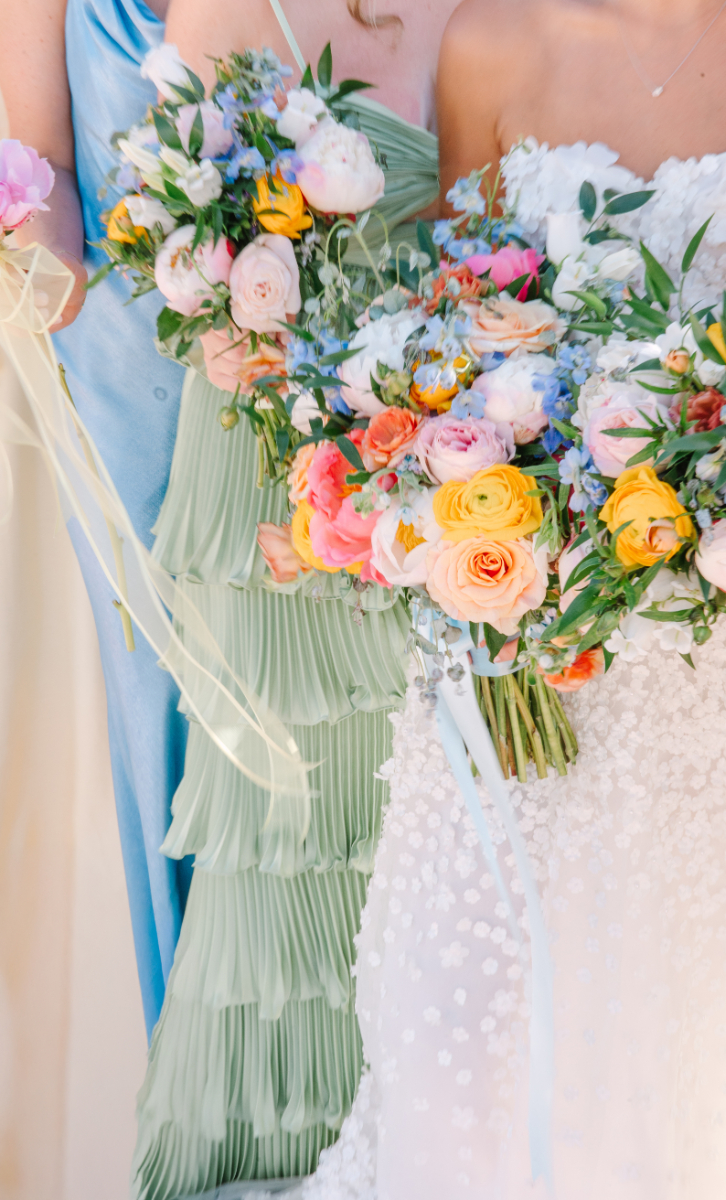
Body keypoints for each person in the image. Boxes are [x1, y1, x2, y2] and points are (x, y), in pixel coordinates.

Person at [297, 1, 726, 1198]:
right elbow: (455, 327)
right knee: (456, 1022)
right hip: (519, 633)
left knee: (661, 1061)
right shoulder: (493, 41)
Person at [129, 3, 458, 1198]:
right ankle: (268, 1155)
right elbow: (175, 240)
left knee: (439, 824)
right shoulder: (234, 8)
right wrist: (220, 323)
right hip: (278, 467)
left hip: (460, 468)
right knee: (290, 838)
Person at [0, 0, 192, 1040]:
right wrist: (34, 228)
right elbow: (42, 175)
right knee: (169, 682)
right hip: (130, 337)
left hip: (344, 297)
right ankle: (213, 1063)